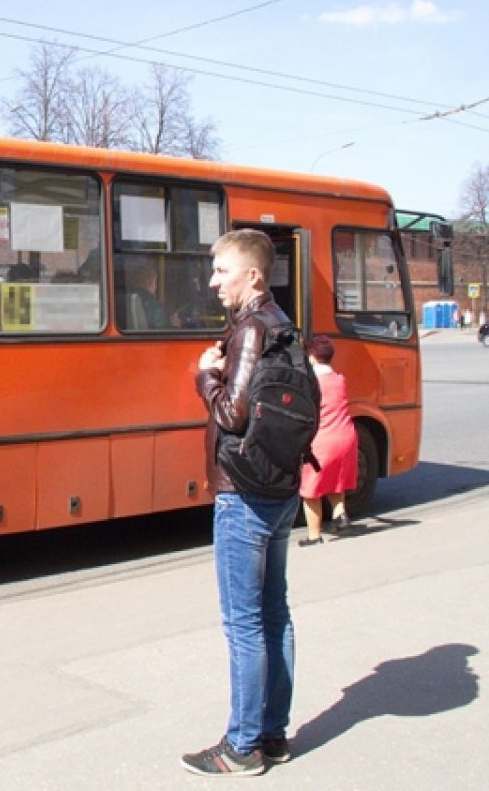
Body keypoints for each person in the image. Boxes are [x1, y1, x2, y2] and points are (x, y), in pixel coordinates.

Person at [183, 229, 299, 777]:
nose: (213, 281)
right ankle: (272, 735)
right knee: (274, 615)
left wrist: (205, 376)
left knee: (245, 623)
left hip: (244, 494)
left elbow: (231, 415)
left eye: (222, 270)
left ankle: (242, 746)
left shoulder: (251, 328)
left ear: (252, 274)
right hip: (280, 488)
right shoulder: (282, 323)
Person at [298, 335, 357, 546]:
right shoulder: (339, 379)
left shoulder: (311, 383)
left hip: (323, 440)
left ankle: (314, 536)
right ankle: (340, 516)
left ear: (312, 356)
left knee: (311, 490)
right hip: (347, 436)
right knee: (335, 480)